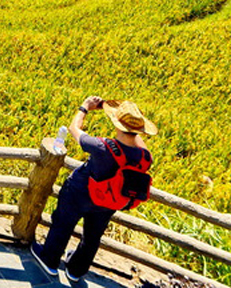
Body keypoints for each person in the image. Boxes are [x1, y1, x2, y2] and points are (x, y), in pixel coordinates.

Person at [30, 96, 158, 283]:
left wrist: (85, 108)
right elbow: (139, 144)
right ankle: (76, 269)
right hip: (108, 202)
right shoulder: (145, 157)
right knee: (92, 236)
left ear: (117, 125)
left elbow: (75, 129)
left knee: (63, 224)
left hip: (79, 193)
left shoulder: (102, 146)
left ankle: (49, 260)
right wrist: (133, 127)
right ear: (139, 130)